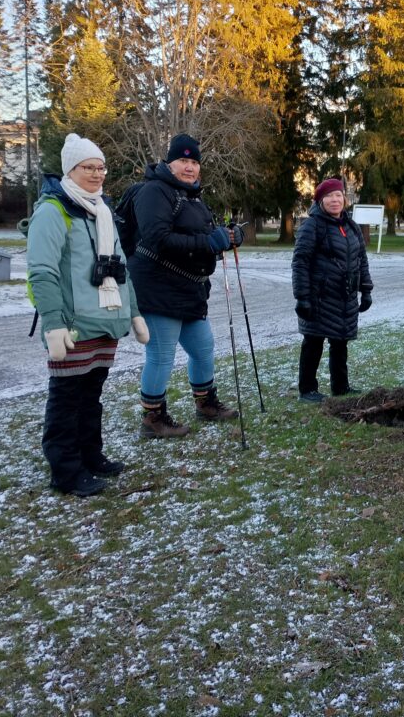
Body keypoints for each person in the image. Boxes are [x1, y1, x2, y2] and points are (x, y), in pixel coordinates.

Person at [26, 133, 149, 497]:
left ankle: (90, 456)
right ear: (70, 169)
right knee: (66, 398)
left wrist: (135, 313)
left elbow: (121, 267)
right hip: (73, 326)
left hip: (104, 321)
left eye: (101, 168)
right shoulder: (53, 211)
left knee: (91, 394)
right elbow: (43, 272)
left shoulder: (102, 212)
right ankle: (65, 471)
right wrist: (53, 325)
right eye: (88, 168)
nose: (97, 174)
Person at [127, 133, 244, 437]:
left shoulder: (191, 196)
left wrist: (227, 237)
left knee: (203, 348)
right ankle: (152, 419)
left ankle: (205, 403)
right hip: (158, 287)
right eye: (183, 160)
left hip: (190, 289)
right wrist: (208, 241)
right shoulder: (155, 191)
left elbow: (203, 236)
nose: (190, 167)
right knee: (162, 355)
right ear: (169, 162)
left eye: (194, 162)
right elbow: (158, 239)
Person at [291, 178, 373, 402]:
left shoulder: (351, 226)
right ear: (320, 201)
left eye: (338, 195)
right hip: (319, 296)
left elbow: (361, 259)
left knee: (340, 342)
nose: (334, 200)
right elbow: (300, 262)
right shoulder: (312, 225)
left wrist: (366, 289)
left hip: (345, 296)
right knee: (313, 342)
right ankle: (307, 390)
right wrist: (302, 298)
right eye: (329, 196)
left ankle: (340, 386)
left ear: (344, 198)